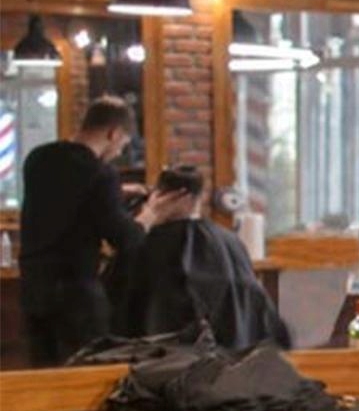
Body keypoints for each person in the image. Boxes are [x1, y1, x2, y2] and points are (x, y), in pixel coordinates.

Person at [18, 96, 189, 365]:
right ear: (114, 133)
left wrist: (116, 193)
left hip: (33, 289)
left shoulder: (38, 158)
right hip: (74, 296)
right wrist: (152, 213)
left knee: (44, 372)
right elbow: (126, 238)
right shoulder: (100, 174)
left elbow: (65, 195)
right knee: (83, 373)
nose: (119, 152)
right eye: (123, 144)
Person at [115, 165, 290, 350]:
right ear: (197, 197)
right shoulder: (228, 241)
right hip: (234, 352)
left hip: (156, 355)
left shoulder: (143, 243)